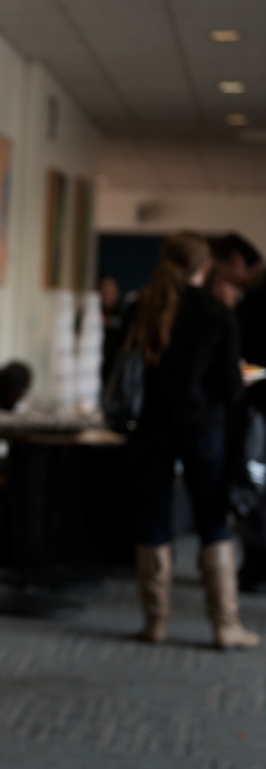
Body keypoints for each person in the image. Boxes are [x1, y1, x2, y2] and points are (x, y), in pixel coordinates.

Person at [129, 231, 258, 648]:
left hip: (152, 428)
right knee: (212, 519)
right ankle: (224, 626)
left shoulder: (145, 309)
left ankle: (155, 623)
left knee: (153, 519)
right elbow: (231, 390)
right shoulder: (217, 315)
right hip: (204, 429)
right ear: (206, 266)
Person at [213, 233, 266, 590]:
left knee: (256, 484)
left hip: (261, 407)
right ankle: (255, 565)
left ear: (237, 261)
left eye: (221, 270)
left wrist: (243, 375)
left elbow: (260, 362)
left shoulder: (262, 298)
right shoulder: (255, 295)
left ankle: (259, 567)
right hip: (255, 405)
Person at [98, 275, 123, 386]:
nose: (109, 295)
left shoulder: (122, 317)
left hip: (115, 370)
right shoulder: (92, 316)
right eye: (105, 291)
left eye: (112, 291)